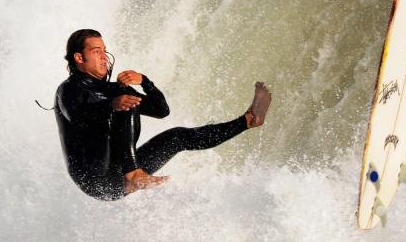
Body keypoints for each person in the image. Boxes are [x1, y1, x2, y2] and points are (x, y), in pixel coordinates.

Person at [54, 29, 271, 200]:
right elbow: (78, 116)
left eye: (104, 50)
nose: (104, 57)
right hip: (95, 180)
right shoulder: (69, 90)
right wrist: (112, 105)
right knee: (123, 100)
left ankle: (248, 121)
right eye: (96, 51)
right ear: (79, 58)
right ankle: (133, 173)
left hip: (118, 173)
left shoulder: (113, 91)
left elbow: (161, 111)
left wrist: (146, 82)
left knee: (177, 136)